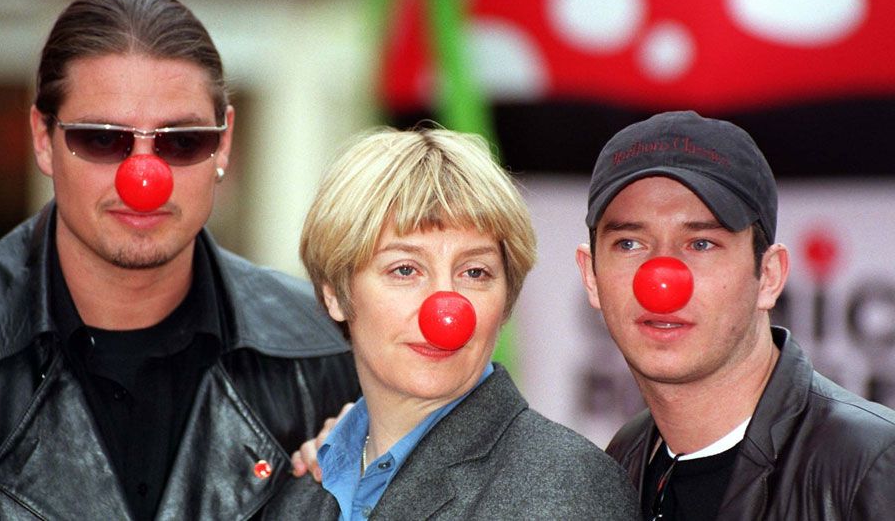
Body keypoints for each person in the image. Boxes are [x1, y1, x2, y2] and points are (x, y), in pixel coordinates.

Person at [0, 0, 358, 520]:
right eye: (103, 139)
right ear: (42, 138)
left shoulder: (330, 355)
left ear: (223, 143)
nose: (142, 179)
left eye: (181, 141)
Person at [264, 127, 640, 519]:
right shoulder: (298, 494)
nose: (445, 310)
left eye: (474, 273)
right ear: (335, 295)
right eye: (405, 269)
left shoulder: (568, 489)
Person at [575, 110, 895, 520]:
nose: (661, 281)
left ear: (768, 276)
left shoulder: (871, 468)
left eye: (702, 244)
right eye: (630, 244)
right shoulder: (620, 462)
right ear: (591, 275)